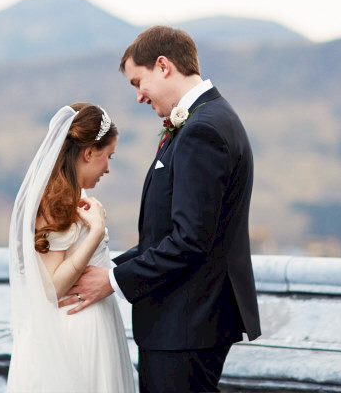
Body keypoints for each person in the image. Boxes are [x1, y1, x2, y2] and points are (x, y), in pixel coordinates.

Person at [64, 26, 261, 392]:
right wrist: (107, 265)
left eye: (139, 82)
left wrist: (111, 281)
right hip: (184, 322)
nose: (139, 96)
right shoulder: (205, 120)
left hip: (186, 325)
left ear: (163, 66)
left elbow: (189, 241)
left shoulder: (203, 129)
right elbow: (169, 233)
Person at [7, 102, 135, 393]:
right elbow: (52, 287)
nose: (108, 168)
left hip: (97, 323)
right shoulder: (57, 202)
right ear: (89, 152)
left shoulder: (78, 196)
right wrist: (96, 233)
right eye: (107, 156)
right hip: (75, 333)